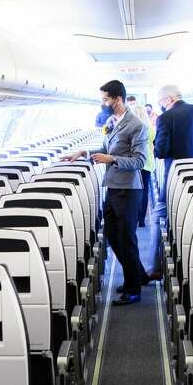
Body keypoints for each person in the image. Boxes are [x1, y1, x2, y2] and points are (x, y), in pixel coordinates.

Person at [63, 79, 151, 305]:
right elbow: (106, 148)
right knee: (113, 236)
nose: (103, 103)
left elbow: (140, 161)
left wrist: (112, 159)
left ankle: (133, 290)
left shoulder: (137, 125)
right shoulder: (114, 122)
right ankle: (138, 275)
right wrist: (83, 152)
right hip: (112, 187)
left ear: (117, 99)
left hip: (128, 191)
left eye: (105, 99)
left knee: (127, 239)